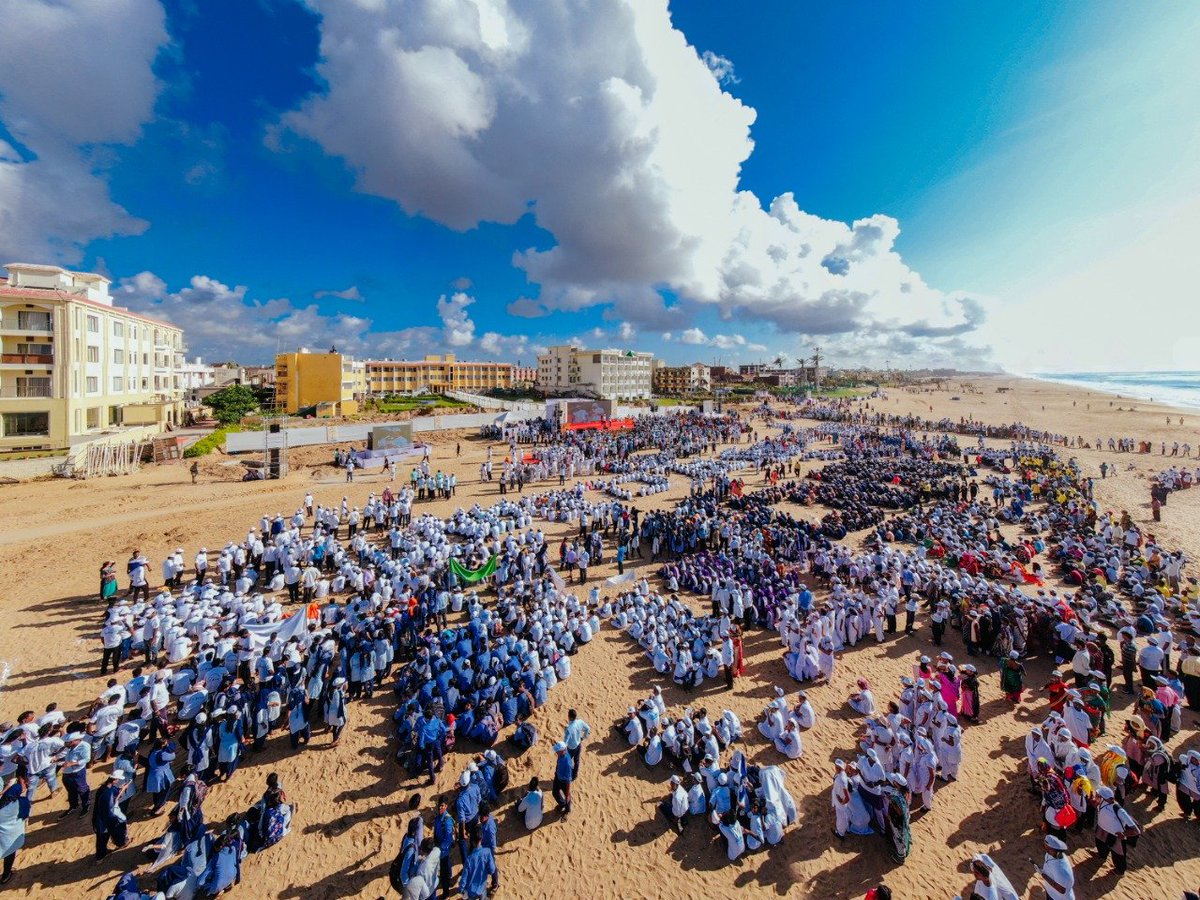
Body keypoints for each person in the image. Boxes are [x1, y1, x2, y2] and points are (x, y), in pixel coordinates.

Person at [0, 766, 30, 885]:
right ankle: (6, 875)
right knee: (10, 852)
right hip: (12, 835)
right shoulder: (22, 803)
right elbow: (25, 815)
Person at [458, 832, 497, 900]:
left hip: (471, 890)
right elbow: (492, 870)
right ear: (481, 839)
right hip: (482, 886)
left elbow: (464, 878)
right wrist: (485, 871)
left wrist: (461, 889)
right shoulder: (487, 852)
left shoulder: (469, 859)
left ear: (472, 842)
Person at [1038, 834, 1075, 900]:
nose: (1047, 851)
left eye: (1049, 849)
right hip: (1051, 892)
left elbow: (1061, 890)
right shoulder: (1050, 854)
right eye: (1045, 847)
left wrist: (1043, 874)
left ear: (1057, 851)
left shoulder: (1061, 871)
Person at [562, 709, 591, 779]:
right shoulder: (580, 722)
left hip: (571, 748)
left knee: (567, 761)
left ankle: (567, 774)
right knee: (577, 760)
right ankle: (575, 775)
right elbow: (587, 729)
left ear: (570, 717)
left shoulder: (569, 729)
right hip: (578, 745)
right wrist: (583, 737)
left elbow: (565, 742)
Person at [551, 741, 574, 819]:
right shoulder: (561, 753)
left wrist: (567, 794)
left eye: (557, 751)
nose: (556, 752)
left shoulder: (567, 763)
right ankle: (562, 804)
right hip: (557, 777)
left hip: (564, 782)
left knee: (567, 797)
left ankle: (567, 810)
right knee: (554, 793)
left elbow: (568, 780)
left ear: (563, 751)